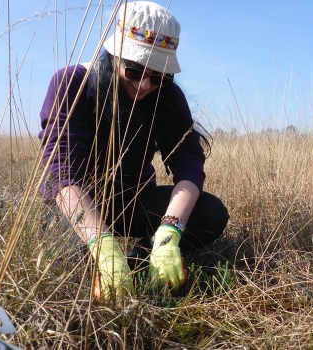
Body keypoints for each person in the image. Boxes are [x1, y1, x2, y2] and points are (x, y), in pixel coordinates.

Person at [38, 1, 229, 301]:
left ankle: (139, 259)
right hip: (78, 205)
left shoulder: (166, 97)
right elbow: (63, 176)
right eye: (135, 70)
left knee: (211, 213)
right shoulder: (71, 85)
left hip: (132, 199)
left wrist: (170, 232)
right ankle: (108, 259)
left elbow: (189, 162)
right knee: (66, 261)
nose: (144, 85)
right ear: (114, 54)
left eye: (159, 76)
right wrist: (103, 247)